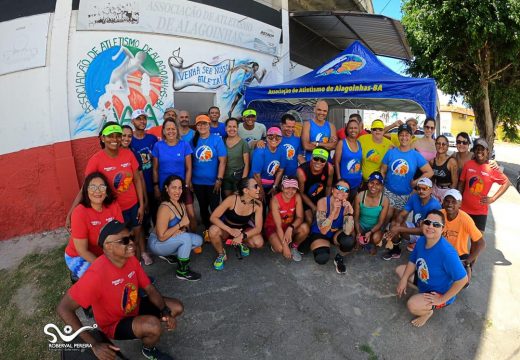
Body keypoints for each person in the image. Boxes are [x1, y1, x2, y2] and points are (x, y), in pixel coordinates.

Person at [57, 220, 183, 360]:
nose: (131, 243)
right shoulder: (96, 274)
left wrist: (165, 311)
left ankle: (144, 331)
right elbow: (64, 308)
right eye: (124, 240)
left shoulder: (131, 260)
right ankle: (149, 349)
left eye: (131, 237)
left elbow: (149, 288)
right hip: (114, 323)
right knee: (153, 326)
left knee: (176, 307)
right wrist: (93, 344)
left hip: (134, 306)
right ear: (108, 247)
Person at [66, 122, 150, 265]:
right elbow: (86, 188)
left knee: (134, 239)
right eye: (110, 136)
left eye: (118, 136)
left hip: (133, 206)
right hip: (113, 211)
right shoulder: (96, 160)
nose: (115, 139)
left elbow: (137, 180)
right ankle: (124, 273)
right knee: (121, 244)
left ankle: (135, 270)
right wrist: (71, 213)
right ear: (102, 138)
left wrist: (141, 205)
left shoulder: (128, 154)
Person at [396, 210, 468, 327]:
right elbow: (413, 261)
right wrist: (404, 280)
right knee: (400, 271)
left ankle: (428, 312)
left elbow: (462, 280)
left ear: (442, 228)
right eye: (428, 222)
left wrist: (442, 299)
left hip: (438, 293)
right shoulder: (422, 240)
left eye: (436, 224)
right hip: (424, 281)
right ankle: (422, 293)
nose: (430, 226)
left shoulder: (447, 253)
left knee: (412, 305)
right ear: (422, 224)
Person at [64, 172, 123, 279]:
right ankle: (78, 275)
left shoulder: (113, 205)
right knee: (103, 279)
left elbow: (120, 235)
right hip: (79, 256)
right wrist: (105, 267)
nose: (97, 191)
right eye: (93, 187)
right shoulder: (79, 213)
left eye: (101, 187)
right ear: (86, 191)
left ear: (107, 191)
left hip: (105, 253)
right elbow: (82, 250)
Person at [148, 175, 202, 281]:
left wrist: (181, 229)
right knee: (185, 238)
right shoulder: (164, 207)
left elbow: (185, 226)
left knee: (198, 240)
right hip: (157, 243)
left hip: (168, 239)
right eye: (173, 187)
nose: (177, 191)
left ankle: (170, 254)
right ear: (166, 188)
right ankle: (182, 271)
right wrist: (179, 225)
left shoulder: (180, 203)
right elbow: (161, 237)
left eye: (180, 187)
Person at [380, 123, 433, 224]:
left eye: (407, 135)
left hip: (405, 195)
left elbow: (429, 172)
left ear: (411, 137)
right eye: (401, 135)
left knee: (397, 222)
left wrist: (416, 182)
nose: (404, 137)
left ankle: (394, 239)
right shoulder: (390, 152)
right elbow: (382, 170)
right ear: (398, 136)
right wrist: (381, 186)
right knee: (385, 218)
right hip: (388, 192)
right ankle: (380, 237)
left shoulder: (416, 155)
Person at [152, 118, 197, 232]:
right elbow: (155, 169)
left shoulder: (184, 145)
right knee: (168, 217)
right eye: (168, 129)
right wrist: (156, 186)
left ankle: (194, 239)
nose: (171, 131)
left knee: (190, 214)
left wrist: (186, 186)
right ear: (163, 131)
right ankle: (171, 241)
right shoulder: (158, 146)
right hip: (165, 188)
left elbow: (188, 168)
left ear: (177, 130)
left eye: (173, 129)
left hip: (182, 188)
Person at [208, 178, 264, 270]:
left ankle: (240, 242)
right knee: (213, 230)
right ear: (246, 190)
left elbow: (258, 228)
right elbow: (213, 217)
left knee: (258, 243)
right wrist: (230, 230)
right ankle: (221, 253)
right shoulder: (232, 199)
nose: (259, 189)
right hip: (227, 228)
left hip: (243, 229)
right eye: (255, 186)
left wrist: (242, 236)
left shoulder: (258, 204)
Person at [458, 138, 509, 232]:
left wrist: (493, 198)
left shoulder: (492, 168)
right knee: (461, 240)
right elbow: (461, 183)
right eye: (477, 149)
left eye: (482, 149)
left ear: (487, 151)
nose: (479, 151)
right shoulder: (468, 164)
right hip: (464, 209)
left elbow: (506, 182)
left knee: (477, 243)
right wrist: (458, 199)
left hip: (480, 212)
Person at [383, 178, 441, 260]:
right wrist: (396, 225)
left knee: (397, 228)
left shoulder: (435, 206)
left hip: (429, 235)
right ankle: (396, 250)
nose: (421, 191)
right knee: (393, 224)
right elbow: (402, 214)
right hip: (416, 228)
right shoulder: (414, 198)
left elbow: (424, 230)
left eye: (425, 188)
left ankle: (419, 246)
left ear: (431, 190)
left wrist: (399, 228)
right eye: (419, 188)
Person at [307, 179, 355, 274]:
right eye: (339, 188)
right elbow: (323, 230)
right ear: (332, 190)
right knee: (322, 258)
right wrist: (333, 212)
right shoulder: (323, 202)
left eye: (346, 190)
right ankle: (323, 246)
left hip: (335, 233)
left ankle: (339, 257)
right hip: (320, 232)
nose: (342, 191)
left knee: (349, 241)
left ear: (348, 195)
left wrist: (350, 213)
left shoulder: (346, 206)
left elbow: (348, 231)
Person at [440, 189, 485, 285]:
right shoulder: (439, 214)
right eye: (447, 201)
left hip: (459, 255)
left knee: (464, 283)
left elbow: (481, 243)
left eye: (454, 202)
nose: (450, 204)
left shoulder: (465, 219)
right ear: (443, 202)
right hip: (441, 251)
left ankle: (465, 269)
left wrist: (468, 261)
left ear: (460, 204)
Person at [191, 114, 227, 230]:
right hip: (197, 182)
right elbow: (189, 162)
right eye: (199, 124)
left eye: (205, 123)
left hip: (213, 182)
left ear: (209, 125)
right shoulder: (193, 141)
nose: (202, 126)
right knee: (202, 206)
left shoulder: (217, 139)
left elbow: (223, 161)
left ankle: (217, 228)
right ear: (196, 126)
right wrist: (190, 180)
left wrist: (219, 179)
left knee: (215, 207)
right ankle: (207, 228)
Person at [264, 177, 310, 261]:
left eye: (293, 188)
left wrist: (290, 228)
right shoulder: (275, 200)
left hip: (288, 226)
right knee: (280, 248)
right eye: (287, 188)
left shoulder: (297, 197)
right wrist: (285, 246)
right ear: (282, 188)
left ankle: (293, 247)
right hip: (273, 227)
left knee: (305, 228)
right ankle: (280, 243)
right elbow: (278, 226)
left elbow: (300, 217)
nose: (290, 191)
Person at [130, 109, 159, 235]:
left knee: (156, 212)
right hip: (138, 186)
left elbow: (158, 160)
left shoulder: (153, 139)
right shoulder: (129, 141)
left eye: (144, 118)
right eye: (139, 118)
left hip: (153, 182)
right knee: (143, 216)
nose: (142, 121)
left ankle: (159, 238)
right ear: (133, 121)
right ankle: (145, 239)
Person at [353, 171, 389, 255]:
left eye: (377, 184)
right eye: (371, 183)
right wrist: (358, 232)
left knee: (376, 238)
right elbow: (356, 217)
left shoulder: (384, 200)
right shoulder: (360, 196)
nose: (374, 186)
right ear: (368, 183)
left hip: (374, 227)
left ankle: (372, 243)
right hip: (361, 225)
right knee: (352, 235)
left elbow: (381, 222)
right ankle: (360, 238)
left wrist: (370, 232)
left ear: (381, 186)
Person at [297, 148, 335, 225]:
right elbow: (301, 193)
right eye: (316, 159)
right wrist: (313, 207)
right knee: (310, 220)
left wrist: (326, 203)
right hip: (306, 199)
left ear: (326, 162)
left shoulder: (329, 168)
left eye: (322, 160)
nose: (318, 162)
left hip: (321, 196)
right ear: (311, 157)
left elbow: (328, 186)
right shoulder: (301, 171)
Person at [250, 126, 286, 203]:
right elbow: (256, 174)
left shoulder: (282, 151)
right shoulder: (260, 151)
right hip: (256, 184)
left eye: (278, 137)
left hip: (270, 184)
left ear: (281, 139)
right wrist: (261, 191)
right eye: (270, 137)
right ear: (266, 137)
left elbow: (280, 170)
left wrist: (275, 186)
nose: (274, 139)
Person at [358, 119, 393, 188]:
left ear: (383, 131)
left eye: (380, 129)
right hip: (362, 180)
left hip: (378, 182)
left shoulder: (389, 144)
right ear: (371, 130)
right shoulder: (362, 139)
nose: (377, 131)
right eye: (375, 129)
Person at [335, 118, 362, 201]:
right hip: (344, 183)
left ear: (359, 129)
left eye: (355, 128)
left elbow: (360, 162)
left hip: (356, 182)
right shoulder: (341, 143)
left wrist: (361, 177)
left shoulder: (359, 143)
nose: (353, 130)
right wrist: (339, 178)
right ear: (347, 129)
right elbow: (336, 162)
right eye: (351, 128)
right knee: (340, 206)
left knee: (350, 207)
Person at [223, 118, 250, 197]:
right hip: (226, 177)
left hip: (238, 178)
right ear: (225, 128)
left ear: (238, 128)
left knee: (238, 201)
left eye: (234, 127)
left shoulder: (243, 143)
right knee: (227, 201)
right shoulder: (222, 141)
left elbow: (247, 164)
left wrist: (243, 182)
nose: (232, 129)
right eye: (229, 126)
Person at [430, 135, 458, 201]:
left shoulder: (451, 162)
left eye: (444, 144)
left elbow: (455, 182)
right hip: (435, 189)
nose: (441, 146)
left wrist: (450, 196)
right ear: (435, 145)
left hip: (447, 190)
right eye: (438, 143)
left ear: (447, 146)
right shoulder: (432, 161)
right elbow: (432, 179)